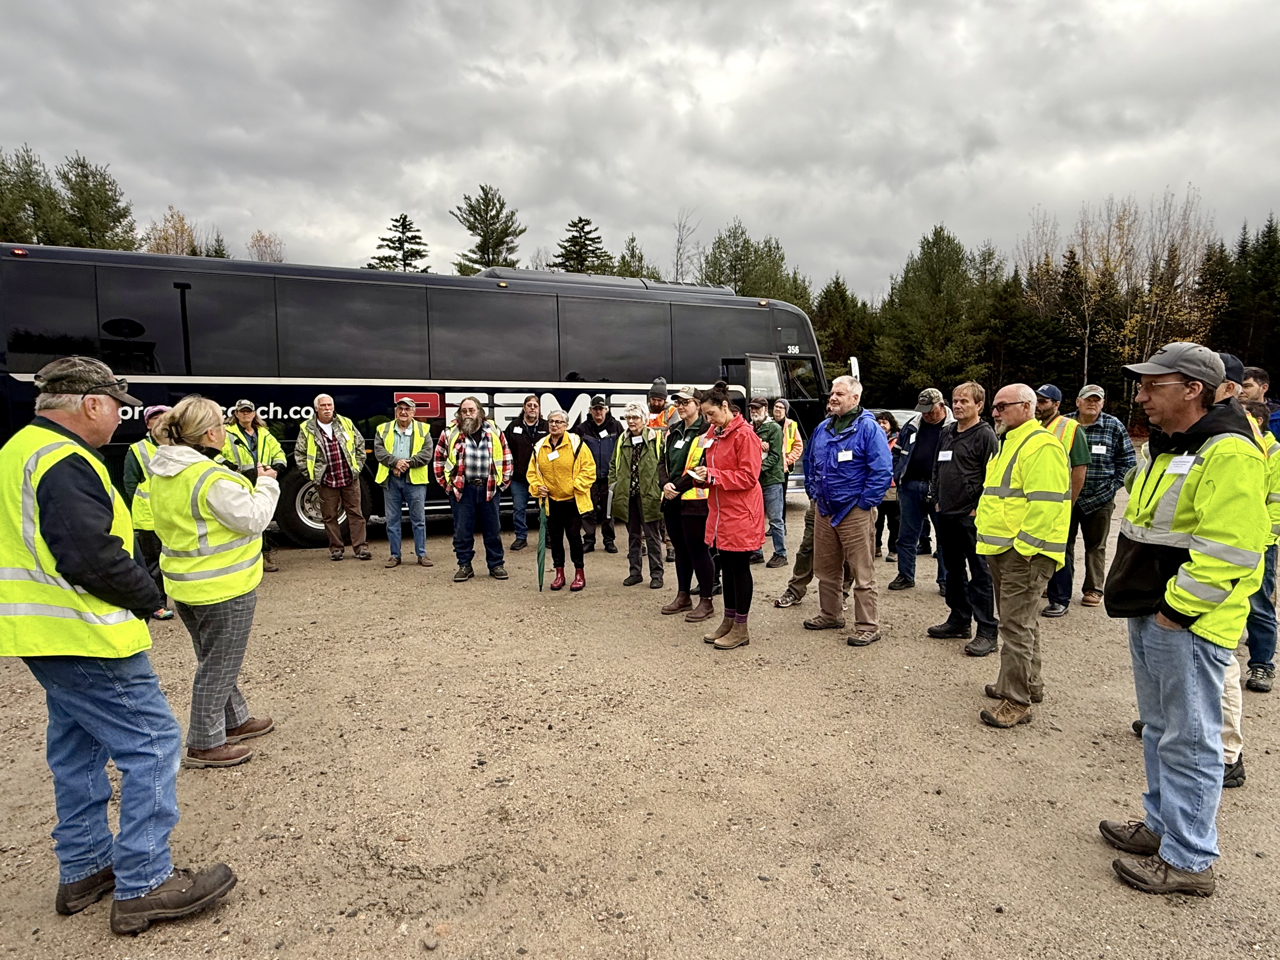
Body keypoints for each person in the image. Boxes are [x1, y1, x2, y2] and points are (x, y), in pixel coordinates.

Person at [1, 358, 236, 935]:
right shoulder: (64, 460)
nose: (121, 413)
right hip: (86, 632)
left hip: (44, 632)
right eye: (117, 403)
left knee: (78, 747)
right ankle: (145, 882)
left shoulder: (19, 449)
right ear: (91, 404)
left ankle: (86, 866)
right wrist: (147, 594)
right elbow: (87, 553)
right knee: (153, 741)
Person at [1099, 343, 1267, 896]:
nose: (1141, 396)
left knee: (1190, 739)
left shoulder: (1229, 452)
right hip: (1152, 610)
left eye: (1153, 386)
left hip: (1186, 621)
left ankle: (1191, 859)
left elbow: (1232, 549)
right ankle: (1161, 828)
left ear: (1192, 389)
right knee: (1159, 731)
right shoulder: (1172, 445)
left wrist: (1177, 610)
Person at [149, 396, 279, 769]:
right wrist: (266, 485)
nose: (226, 430)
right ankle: (204, 743)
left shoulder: (164, 470)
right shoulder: (209, 478)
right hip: (223, 587)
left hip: (186, 584)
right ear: (209, 433)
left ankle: (235, 720)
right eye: (222, 424)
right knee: (219, 665)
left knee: (214, 658)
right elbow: (253, 519)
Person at [975, 383, 1070, 728]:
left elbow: (1046, 505)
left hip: (1023, 553)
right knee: (1023, 621)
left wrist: (1025, 549)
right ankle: (1030, 683)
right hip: (1004, 550)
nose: (995, 412)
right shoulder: (1009, 443)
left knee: (1014, 625)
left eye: (1002, 406)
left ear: (1027, 407)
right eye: (995, 407)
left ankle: (1016, 700)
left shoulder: (1040, 445)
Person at [802, 376, 893, 646]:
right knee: (826, 568)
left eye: (840, 394)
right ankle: (830, 614)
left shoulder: (868, 429)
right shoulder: (822, 428)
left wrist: (865, 503)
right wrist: (813, 492)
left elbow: (882, 470)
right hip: (824, 508)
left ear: (855, 398)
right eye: (832, 393)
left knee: (861, 570)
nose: (833, 397)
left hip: (854, 510)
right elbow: (810, 461)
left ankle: (868, 625)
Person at [689, 382, 765, 650]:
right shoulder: (716, 433)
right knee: (727, 567)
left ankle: (741, 627)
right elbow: (714, 470)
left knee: (739, 568)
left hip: (741, 513)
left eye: (711, 414)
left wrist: (713, 476)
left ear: (725, 406)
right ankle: (728, 620)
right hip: (721, 512)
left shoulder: (744, 435)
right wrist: (702, 478)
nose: (708, 420)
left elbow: (748, 477)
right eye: (705, 415)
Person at [927, 382, 1000, 655]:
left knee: (980, 573)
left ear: (979, 405)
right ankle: (958, 619)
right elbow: (936, 468)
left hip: (971, 517)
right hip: (945, 513)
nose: (957, 406)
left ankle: (987, 630)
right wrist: (935, 499)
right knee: (952, 570)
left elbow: (991, 477)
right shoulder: (946, 433)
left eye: (964, 401)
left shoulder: (985, 435)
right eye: (955, 401)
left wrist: (975, 509)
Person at [1053, 385, 1135, 609]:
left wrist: (1111, 488)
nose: (1092, 403)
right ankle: (1058, 589)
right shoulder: (1063, 425)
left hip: (1099, 499)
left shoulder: (1113, 426)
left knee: (1096, 546)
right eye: (1088, 399)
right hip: (1066, 497)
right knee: (1061, 543)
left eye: (1097, 400)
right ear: (1078, 402)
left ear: (1103, 403)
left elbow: (1128, 462)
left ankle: (1093, 588)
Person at [432, 397, 513, 581]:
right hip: (463, 490)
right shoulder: (450, 433)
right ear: (459, 414)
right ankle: (464, 565)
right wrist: (448, 487)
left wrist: (501, 485)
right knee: (462, 531)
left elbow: (507, 458)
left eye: (471, 410)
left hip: (489, 489)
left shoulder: (494, 431)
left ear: (480, 412)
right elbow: (438, 460)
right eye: (464, 411)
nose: (468, 414)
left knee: (492, 530)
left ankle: (496, 565)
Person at [1035, 384, 1092, 618]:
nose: (1038, 405)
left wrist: (1069, 502)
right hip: (1037, 502)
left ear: (1056, 405)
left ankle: (1060, 598)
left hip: (1059, 503)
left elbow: (1079, 468)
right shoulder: (1034, 427)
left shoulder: (1070, 428)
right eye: (1036, 400)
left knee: (1060, 550)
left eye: (1043, 401)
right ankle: (1046, 589)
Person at [661, 386, 716, 621]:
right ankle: (683, 596)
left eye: (686, 402)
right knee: (680, 550)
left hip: (694, 502)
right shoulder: (673, 431)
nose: (681, 406)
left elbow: (701, 467)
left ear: (697, 404)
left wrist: (676, 487)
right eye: (678, 403)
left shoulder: (706, 432)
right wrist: (664, 484)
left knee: (698, 551)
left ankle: (706, 600)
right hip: (672, 500)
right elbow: (661, 462)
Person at [890, 388, 951, 593]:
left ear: (941, 406)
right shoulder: (912, 425)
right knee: (906, 535)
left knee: (945, 537)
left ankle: (945, 580)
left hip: (942, 489)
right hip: (911, 486)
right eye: (923, 409)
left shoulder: (954, 426)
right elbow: (897, 452)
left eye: (930, 410)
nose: (926, 414)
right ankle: (905, 575)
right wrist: (898, 475)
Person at [295, 393, 369, 561]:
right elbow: (299, 454)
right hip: (326, 480)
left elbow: (360, 445)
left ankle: (360, 548)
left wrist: (356, 469)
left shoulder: (345, 422)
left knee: (356, 514)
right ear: (316, 408)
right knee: (329, 516)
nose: (327, 408)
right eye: (323, 406)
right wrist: (313, 476)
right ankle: (336, 549)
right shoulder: (307, 428)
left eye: (329, 405)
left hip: (349, 477)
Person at [527, 408, 595, 591]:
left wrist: (575, 486)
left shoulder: (577, 444)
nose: (554, 425)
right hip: (551, 502)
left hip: (571, 502)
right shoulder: (540, 446)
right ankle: (559, 574)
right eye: (551, 422)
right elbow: (532, 473)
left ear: (566, 425)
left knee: (574, 538)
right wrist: (537, 487)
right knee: (555, 540)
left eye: (558, 422)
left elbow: (589, 469)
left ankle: (579, 573)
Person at [222, 399, 287, 573]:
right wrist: (229, 467)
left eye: (248, 411)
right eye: (242, 411)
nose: (245, 414)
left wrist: (277, 467)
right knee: (241, 521)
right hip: (238, 481)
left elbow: (278, 451)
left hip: (260, 481)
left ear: (254, 414)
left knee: (262, 520)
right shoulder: (226, 433)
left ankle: (264, 556)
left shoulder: (264, 433)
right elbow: (216, 455)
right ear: (236, 414)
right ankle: (243, 559)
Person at [123, 404, 174, 618]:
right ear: (147, 423)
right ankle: (157, 604)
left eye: (164, 417)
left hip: (175, 516)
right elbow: (130, 483)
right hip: (149, 517)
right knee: (154, 564)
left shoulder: (180, 446)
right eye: (155, 418)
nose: (160, 421)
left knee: (177, 559)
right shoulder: (137, 449)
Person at [1242, 399, 1279, 694]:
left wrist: (1264, 542)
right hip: (1228, 540)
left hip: (1259, 544)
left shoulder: (1274, 453)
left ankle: (1262, 664)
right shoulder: (1232, 446)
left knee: (1259, 605)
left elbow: (1276, 504)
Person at [610, 402, 665, 589]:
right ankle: (635, 572)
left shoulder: (656, 439)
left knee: (652, 536)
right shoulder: (622, 440)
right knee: (633, 535)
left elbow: (664, 465)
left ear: (643, 419)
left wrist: (660, 489)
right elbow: (613, 466)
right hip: (628, 496)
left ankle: (657, 574)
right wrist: (614, 486)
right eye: (628, 418)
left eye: (635, 418)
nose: (631, 421)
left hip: (649, 495)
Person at [373, 398, 434, 568]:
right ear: (395, 411)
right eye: (400, 408)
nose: (403, 412)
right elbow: (379, 451)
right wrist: (395, 463)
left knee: (418, 520)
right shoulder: (383, 429)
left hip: (415, 481)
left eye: (407, 409)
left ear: (413, 412)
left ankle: (421, 554)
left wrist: (405, 464)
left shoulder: (423, 429)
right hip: (391, 480)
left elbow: (427, 453)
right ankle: (395, 555)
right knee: (392, 520)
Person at [573, 395, 622, 554]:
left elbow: (622, 450)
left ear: (606, 410)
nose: (598, 412)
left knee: (608, 512)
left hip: (609, 477)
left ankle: (609, 541)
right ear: (591, 411)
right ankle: (589, 541)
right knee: (588, 510)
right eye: (595, 409)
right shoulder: (582, 429)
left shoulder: (616, 426)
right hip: (589, 478)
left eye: (601, 409)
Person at [502, 394, 548, 551]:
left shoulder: (546, 426)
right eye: (529, 405)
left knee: (545, 508)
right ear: (524, 407)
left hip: (541, 477)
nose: (532, 408)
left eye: (535, 405)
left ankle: (546, 536)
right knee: (519, 509)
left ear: (539, 409)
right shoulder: (513, 426)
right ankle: (521, 537)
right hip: (519, 478)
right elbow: (505, 450)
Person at [749, 396, 788, 567]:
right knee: (755, 518)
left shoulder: (774, 428)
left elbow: (775, 456)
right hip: (755, 481)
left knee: (775, 520)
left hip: (771, 480)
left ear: (765, 409)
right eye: (752, 408)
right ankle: (757, 552)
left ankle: (781, 554)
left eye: (757, 408)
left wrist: (755, 470)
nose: (754, 411)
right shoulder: (750, 428)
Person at [874, 411, 901, 561]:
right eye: (879, 422)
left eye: (884, 422)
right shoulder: (871, 438)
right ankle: (875, 546)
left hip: (893, 486)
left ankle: (893, 550)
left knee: (894, 521)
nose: (881, 425)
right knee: (876, 521)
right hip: (876, 486)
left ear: (891, 424)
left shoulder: (898, 440)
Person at [1242, 365, 1280, 436]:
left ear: (1264, 388)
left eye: (1246, 386)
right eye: (1238, 386)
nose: (1240, 391)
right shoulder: (1226, 412)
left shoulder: (1277, 417)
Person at [773, 398, 805, 475]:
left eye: (780, 407)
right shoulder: (767, 423)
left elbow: (798, 446)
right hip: (771, 466)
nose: (777, 409)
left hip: (784, 468)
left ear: (785, 410)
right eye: (776, 406)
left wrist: (787, 460)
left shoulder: (791, 425)